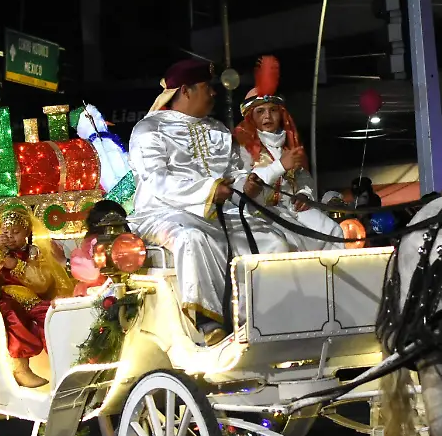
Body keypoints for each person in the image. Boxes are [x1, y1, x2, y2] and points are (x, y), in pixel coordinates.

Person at [128, 58, 292, 346]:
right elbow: (156, 181)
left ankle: (266, 319)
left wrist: (248, 184)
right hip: (162, 213)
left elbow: (234, 174)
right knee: (192, 238)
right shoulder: (149, 130)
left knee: (273, 242)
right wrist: (208, 191)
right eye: (207, 87)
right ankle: (209, 323)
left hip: (218, 213)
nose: (214, 93)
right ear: (186, 91)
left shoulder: (217, 129)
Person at [232, 56, 344, 251]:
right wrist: (280, 166)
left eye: (273, 110)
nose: (268, 116)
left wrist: (303, 193)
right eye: (260, 112)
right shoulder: (242, 147)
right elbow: (243, 187)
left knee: (334, 231)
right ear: (251, 118)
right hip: (261, 212)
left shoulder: (288, 144)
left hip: (293, 209)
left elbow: (303, 178)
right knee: (286, 244)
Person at [0, 207, 74, 388]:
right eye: (6, 231)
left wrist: (17, 265)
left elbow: (42, 282)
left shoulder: (34, 253)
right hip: (1, 296)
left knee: (52, 315)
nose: (10, 236)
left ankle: (63, 362)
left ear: (27, 232)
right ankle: (20, 368)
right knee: (12, 315)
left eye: (16, 232)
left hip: (31, 297)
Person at [70, 199, 129, 296]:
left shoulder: (97, 242)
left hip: (101, 291)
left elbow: (91, 272)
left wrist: (66, 262)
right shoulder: (127, 239)